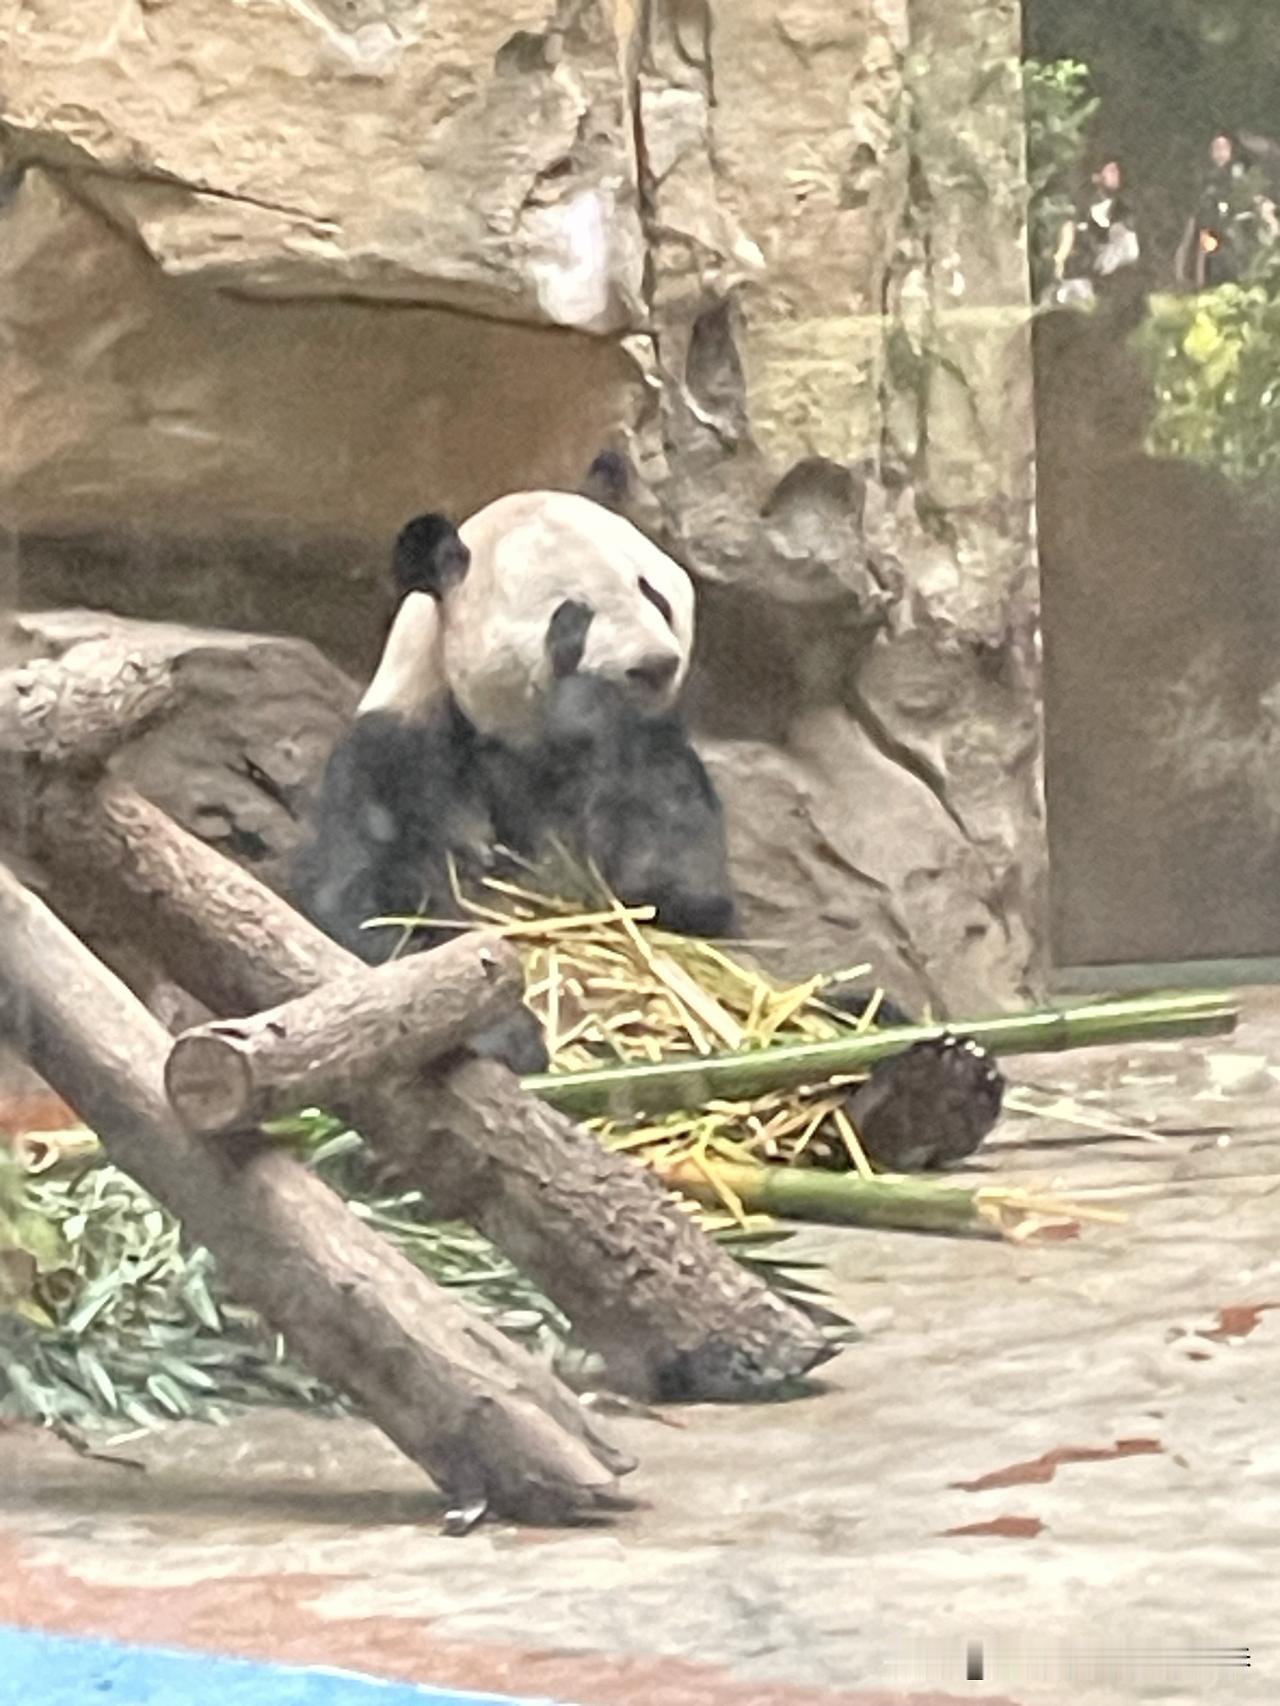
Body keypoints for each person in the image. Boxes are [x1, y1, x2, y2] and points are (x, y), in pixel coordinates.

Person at [1050, 159, 1140, 308]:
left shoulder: (1122, 210)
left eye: (1115, 172)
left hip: (1109, 261)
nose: (1110, 173)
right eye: (1108, 170)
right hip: (1089, 261)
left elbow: (1122, 244)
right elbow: (1072, 226)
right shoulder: (1087, 203)